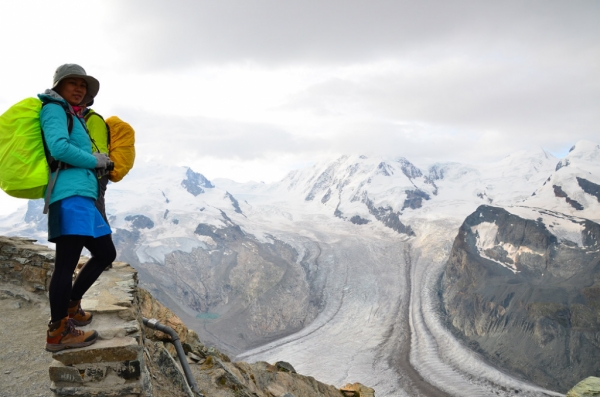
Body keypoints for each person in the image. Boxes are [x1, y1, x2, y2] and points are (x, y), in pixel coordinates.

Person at [39, 64, 116, 352]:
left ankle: (71, 305)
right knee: (66, 264)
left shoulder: (73, 114)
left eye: (82, 85)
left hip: (83, 195)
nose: (79, 88)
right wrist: (94, 160)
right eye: (72, 83)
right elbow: (58, 147)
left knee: (106, 252)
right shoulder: (54, 109)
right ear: (58, 86)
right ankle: (58, 331)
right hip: (69, 194)